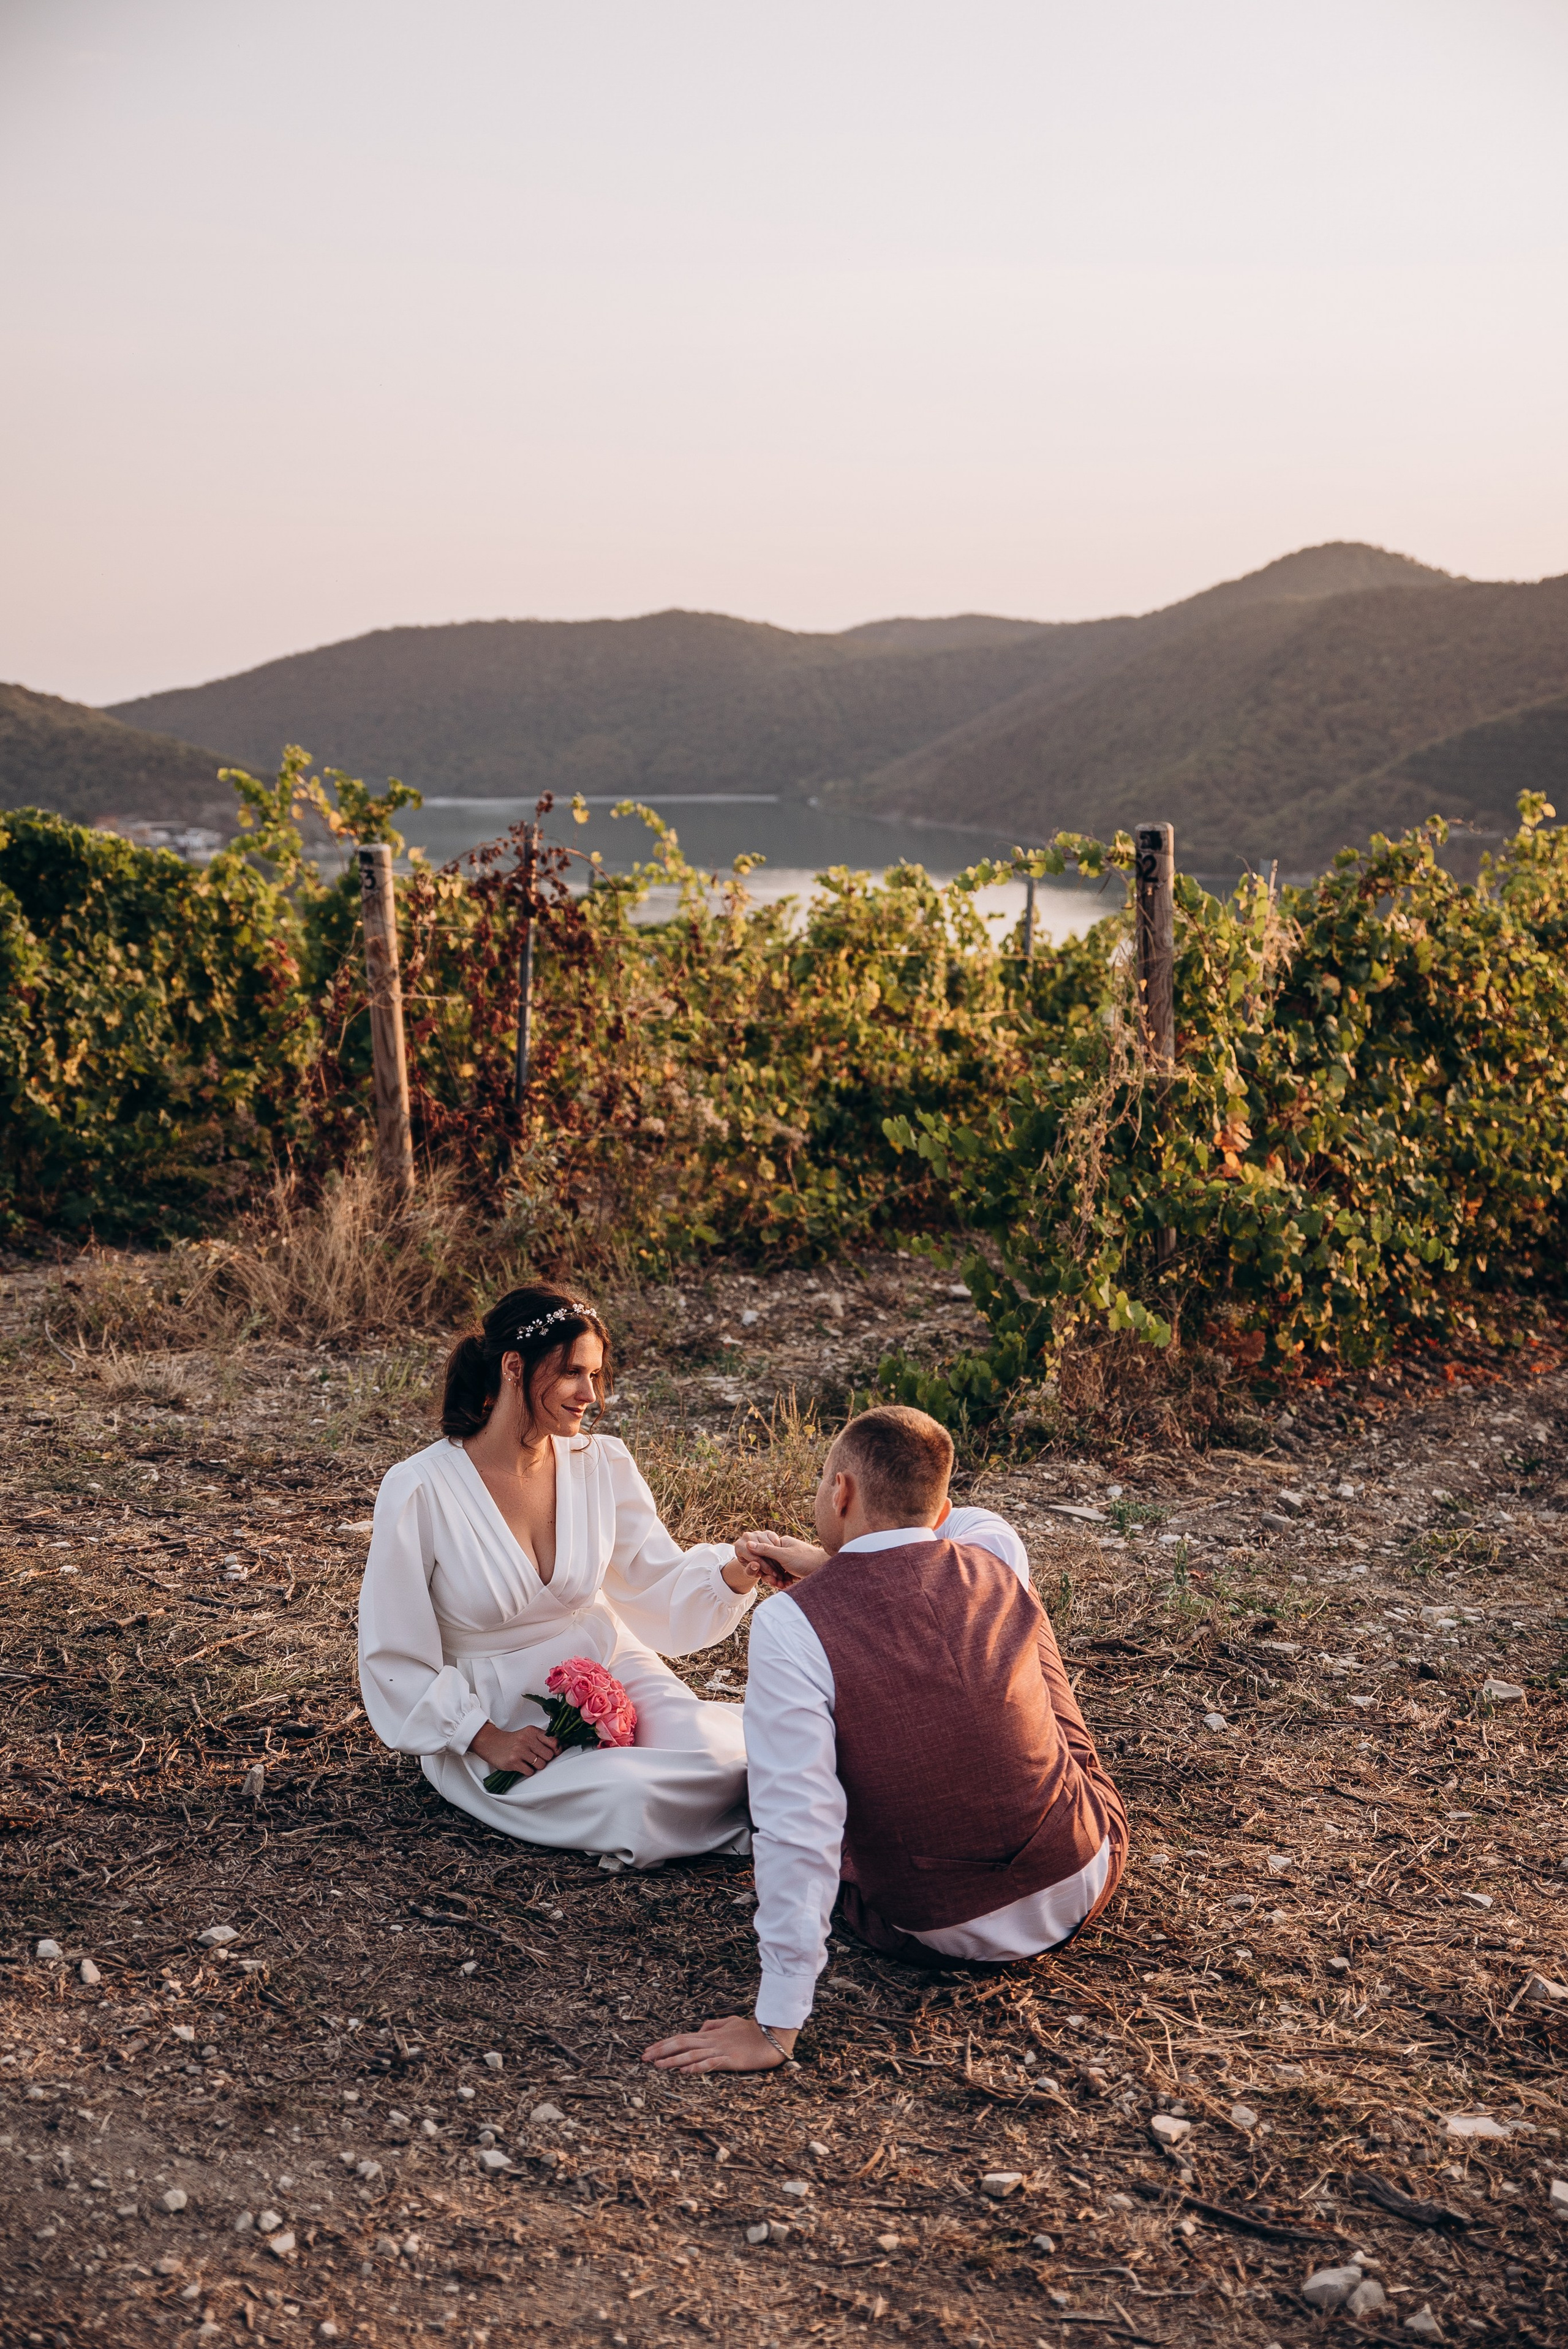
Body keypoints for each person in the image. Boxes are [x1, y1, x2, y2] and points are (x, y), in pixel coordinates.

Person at [644, 1404, 1128, 2073]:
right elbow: (959, 1529)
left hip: (934, 1925)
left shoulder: (791, 1622)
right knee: (1023, 1629)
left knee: (798, 1785)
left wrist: (776, 2025)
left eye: (823, 1482)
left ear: (840, 1491)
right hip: (1082, 1870)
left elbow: (798, 1820)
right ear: (941, 1510)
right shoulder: (993, 1558)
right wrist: (835, 1561)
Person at [358, 1286, 763, 1869]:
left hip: (609, 1667)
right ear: (514, 1367)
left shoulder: (601, 1463)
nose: (590, 1395)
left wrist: (735, 1572)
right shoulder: (421, 1487)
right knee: (634, 1798)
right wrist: (482, 1735)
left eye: (594, 1375)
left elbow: (655, 1578)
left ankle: (772, 1797)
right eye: (573, 1373)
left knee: (727, 1758)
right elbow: (391, 1650)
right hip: (498, 1715)